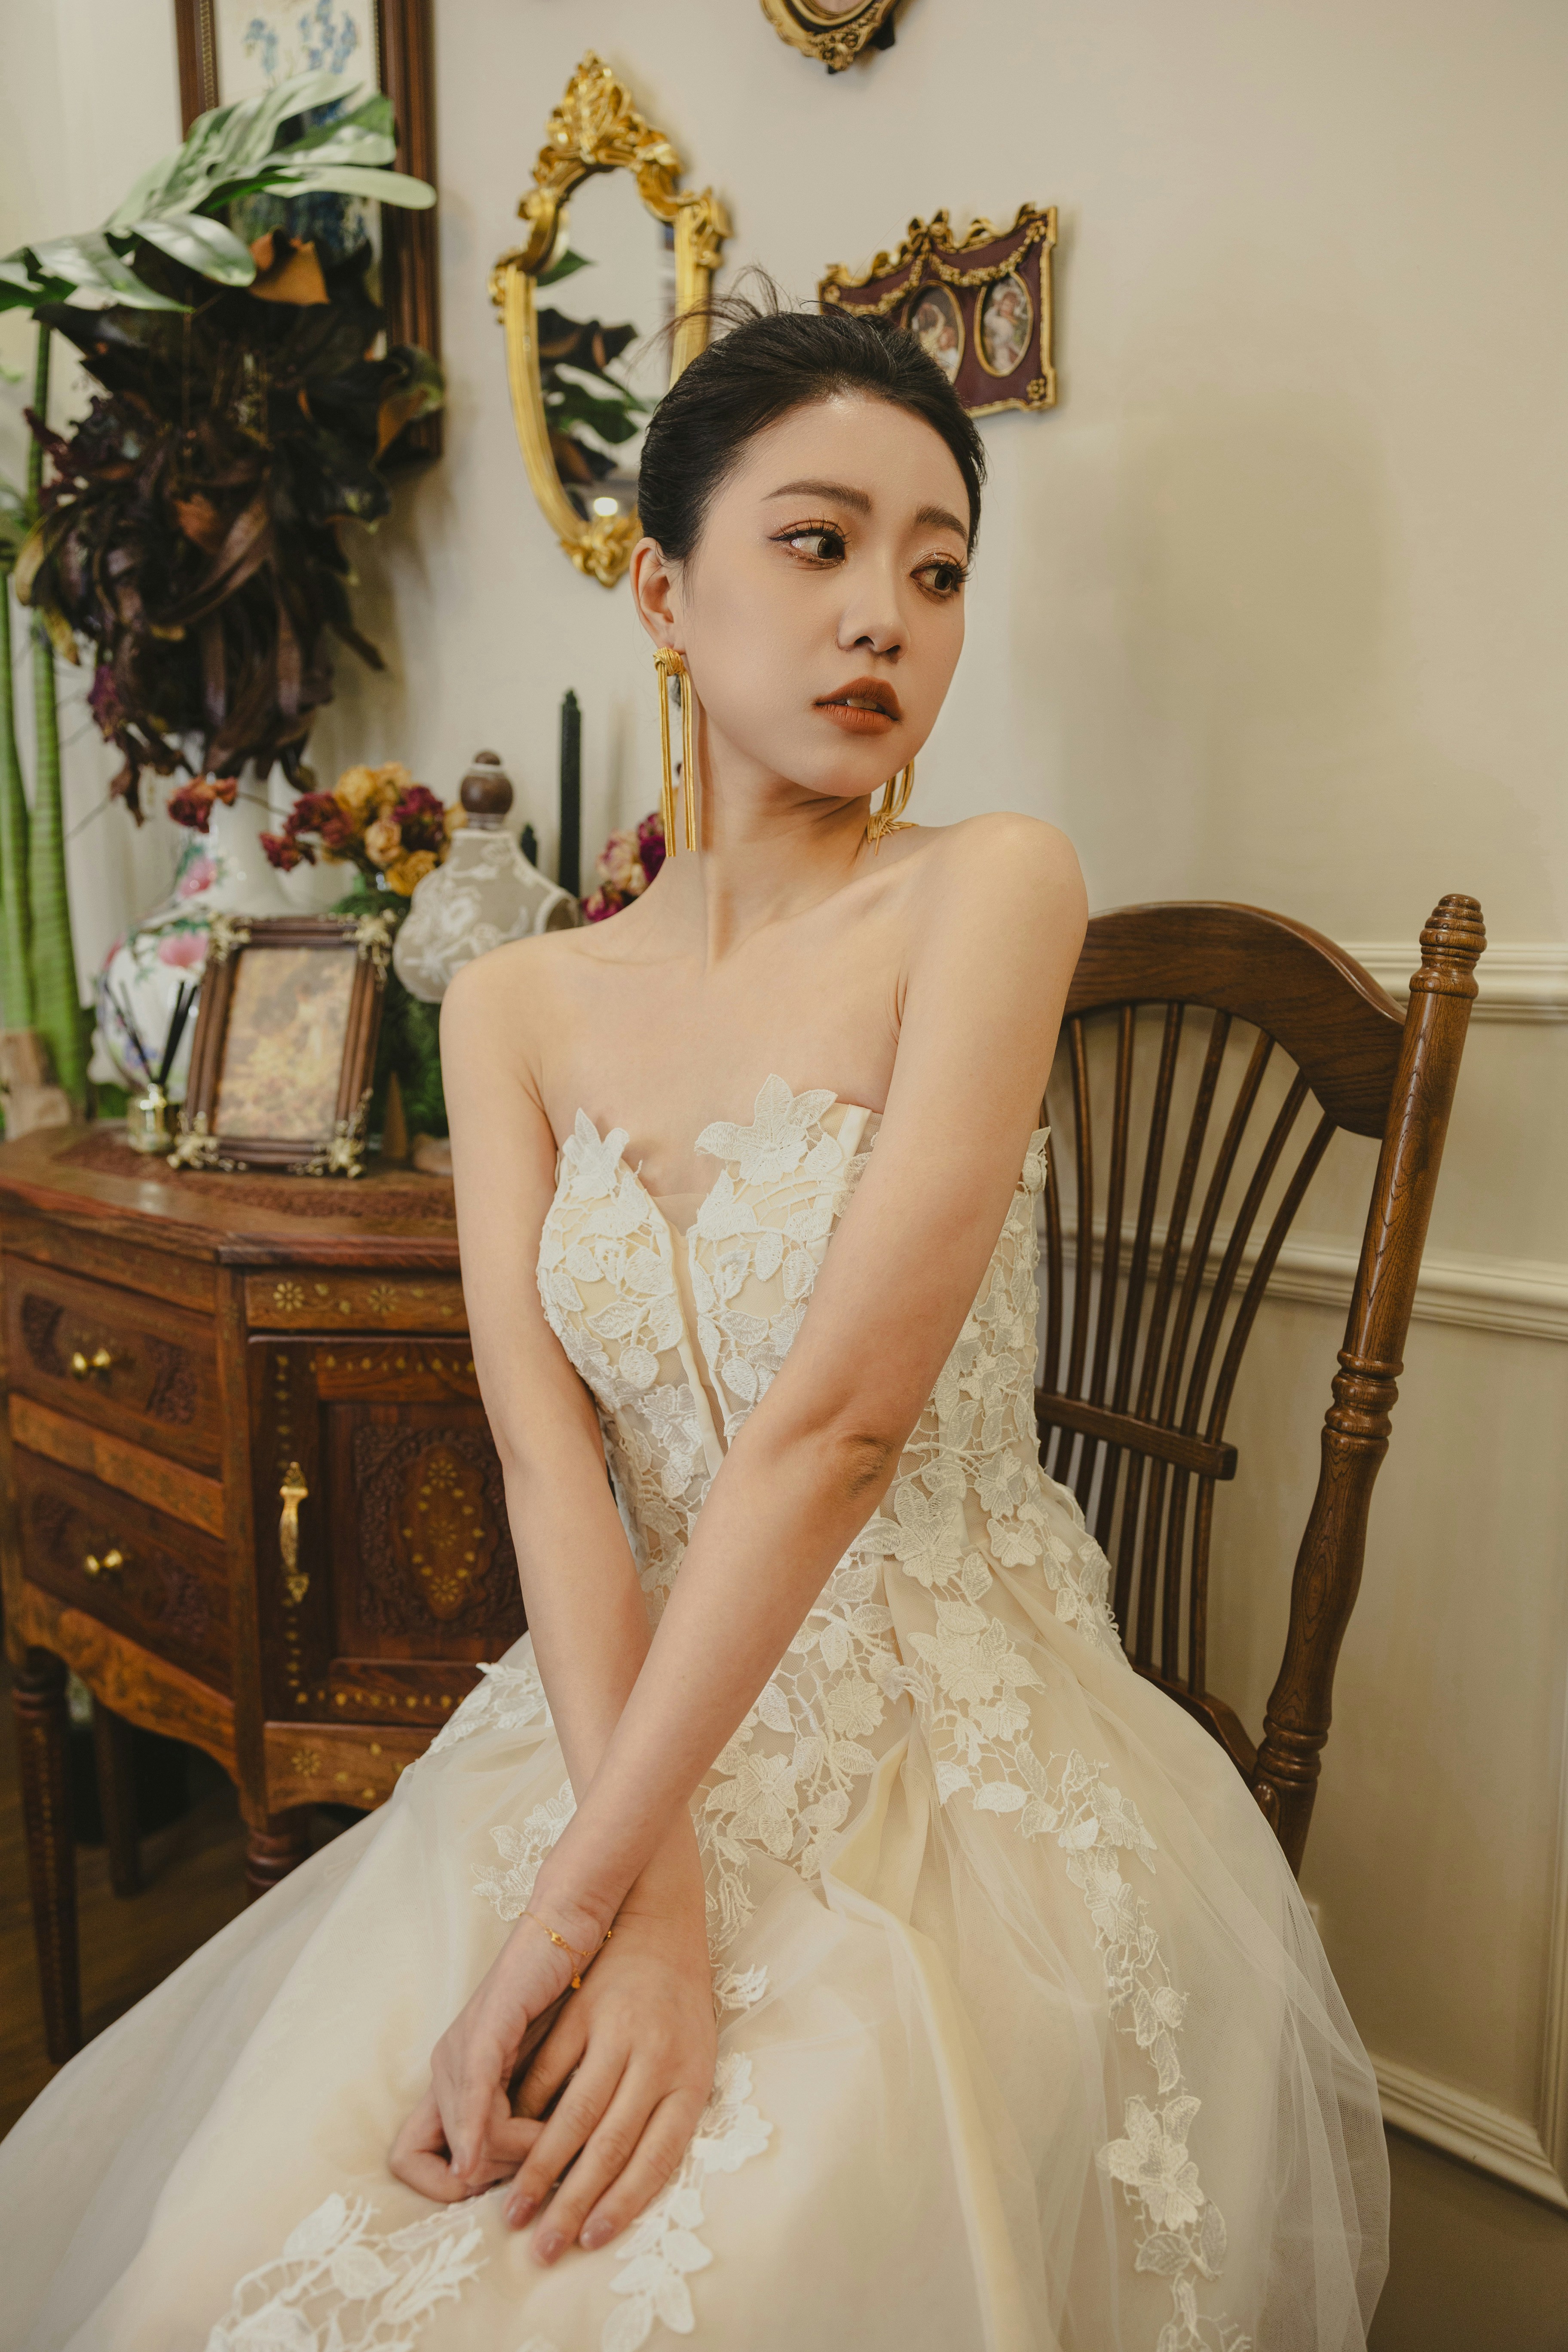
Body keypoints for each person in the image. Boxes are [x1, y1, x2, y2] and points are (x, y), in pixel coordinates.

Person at [0, 300, 1387, 2352]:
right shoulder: (511, 1004)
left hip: (931, 1741)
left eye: (939, 571)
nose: (887, 615)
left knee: (667, 2283)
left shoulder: (993, 888)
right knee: (240, 2263)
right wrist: (630, 1901)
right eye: (819, 542)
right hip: (608, 1709)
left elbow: (837, 1432)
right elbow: (546, 1459)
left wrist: (588, 1915)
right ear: (663, 591)